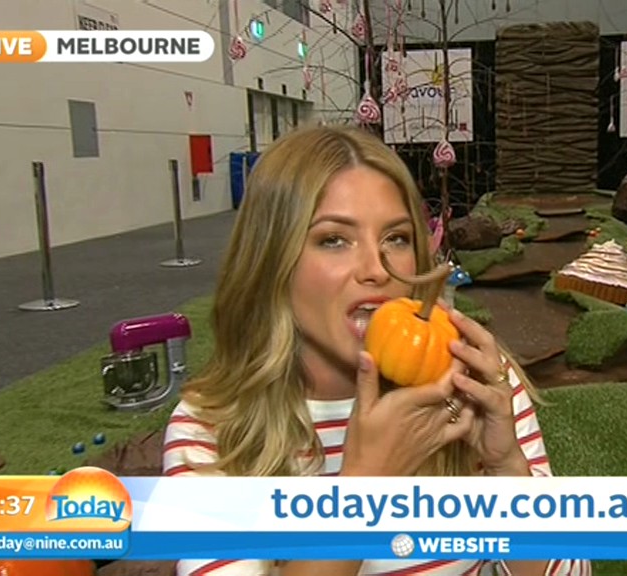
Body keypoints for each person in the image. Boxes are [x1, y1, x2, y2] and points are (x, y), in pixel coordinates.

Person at [163, 124, 591, 576]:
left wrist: (508, 471)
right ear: (271, 263)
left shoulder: (476, 379)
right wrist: (363, 488)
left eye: (396, 238)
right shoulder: (211, 428)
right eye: (334, 239)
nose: (377, 269)